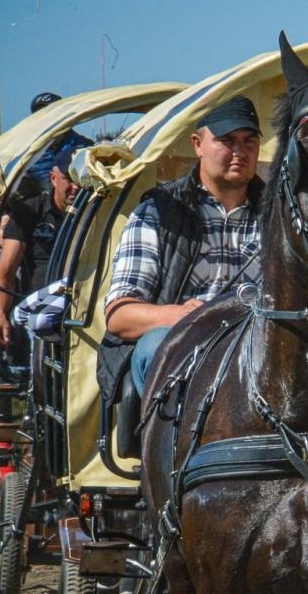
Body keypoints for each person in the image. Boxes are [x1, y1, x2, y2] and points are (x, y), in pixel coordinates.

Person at [104, 95, 264, 395]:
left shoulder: (279, 216)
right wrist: (183, 316)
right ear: (197, 144)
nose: (239, 151)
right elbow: (119, 315)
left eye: (249, 141)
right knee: (156, 345)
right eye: (226, 140)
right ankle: (173, 442)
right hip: (185, 345)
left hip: (261, 349)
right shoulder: (159, 212)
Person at [0, 142, 80, 351]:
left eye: (79, 180)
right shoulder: (28, 213)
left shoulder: (92, 213)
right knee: (38, 321)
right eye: (68, 178)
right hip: (40, 303)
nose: (75, 187)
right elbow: (5, 273)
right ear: (53, 178)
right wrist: (0, 316)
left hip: (82, 298)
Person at [24, 92, 92, 186]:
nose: (47, 119)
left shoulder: (84, 147)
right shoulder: (28, 153)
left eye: (52, 114)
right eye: (41, 115)